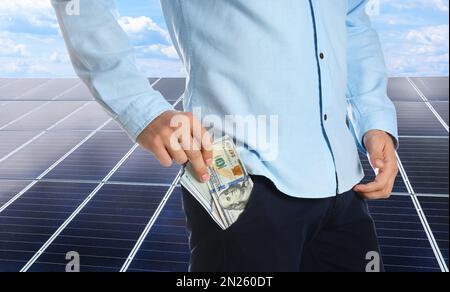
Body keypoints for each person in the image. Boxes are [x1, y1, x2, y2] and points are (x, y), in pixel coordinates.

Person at [52, 0, 399, 272]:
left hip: (342, 183)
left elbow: (352, 17)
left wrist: (373, 118)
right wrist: (140, 108)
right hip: (234, 174)